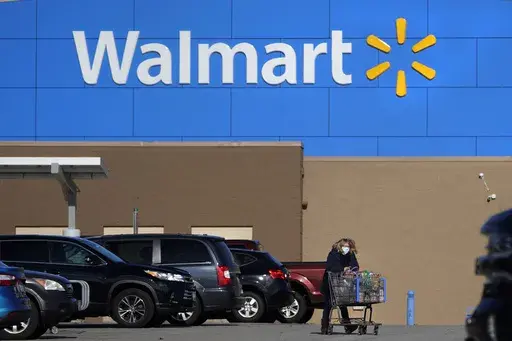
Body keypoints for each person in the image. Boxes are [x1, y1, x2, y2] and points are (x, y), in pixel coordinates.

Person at [320, 238, 360, 335]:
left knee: (342, 302)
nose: (346, 248)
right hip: (330, 282)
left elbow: (355, 265)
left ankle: (348, 326)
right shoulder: (333, 254)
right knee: (329, 303)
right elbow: (331, 266)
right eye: (345, 246)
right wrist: (343, 269)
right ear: (340, 246)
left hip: (341, 282)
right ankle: (325, 326)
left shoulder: (350, 254)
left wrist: (352, 270)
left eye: (348, 246)